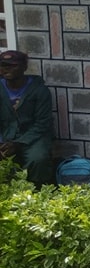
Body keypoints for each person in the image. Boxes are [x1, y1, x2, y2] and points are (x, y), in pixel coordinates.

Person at [0, 49, 54, 186]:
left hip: (32, 138)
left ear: (24, 67)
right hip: (4, 136)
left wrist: (18, 143)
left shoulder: (39, 91)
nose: (7, 69)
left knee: (37, 159)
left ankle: (35, 193)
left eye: (13, 65)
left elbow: (43, 124)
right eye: (3, 65)